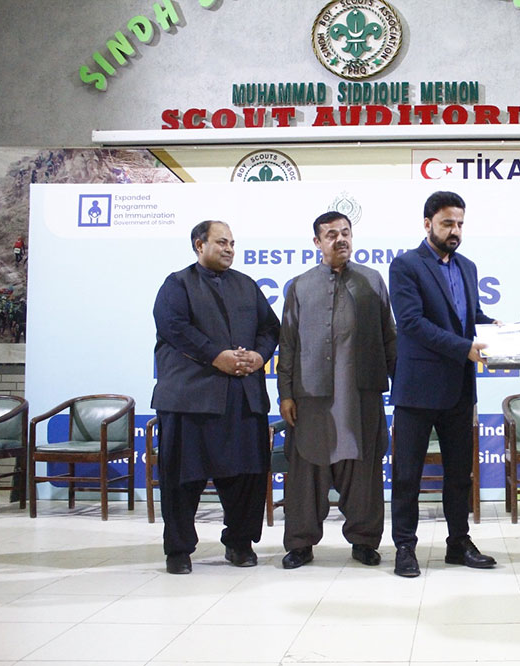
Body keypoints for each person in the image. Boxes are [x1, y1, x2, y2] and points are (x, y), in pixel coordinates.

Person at [151, 220, 280, 575]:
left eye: (232, 244)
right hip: (190, 400)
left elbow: (270, 328)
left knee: (247, 477)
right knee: (182, 479)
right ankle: (179, 550)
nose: (229, 249)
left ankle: (239, 543)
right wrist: (215, 356)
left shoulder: (246, 284)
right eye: (222, 242)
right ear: (199, 245)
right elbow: (173, 327)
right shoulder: (177, 284)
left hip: (242, 398)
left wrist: (260, 356)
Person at [276, 211, 396, 570]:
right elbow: (288, 343)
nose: (340, 239)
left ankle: (364, 541)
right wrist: (285, 393)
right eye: (331, 235)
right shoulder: (300, 286)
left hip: (361, 395)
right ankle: (300, 543)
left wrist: (401, 384)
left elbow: (389, 337)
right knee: (306, 473)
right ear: (317, 242)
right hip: (311, 396)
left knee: (363, 472)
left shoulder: (372, 280)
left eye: (345, 233)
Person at [388, 190, 498, 578]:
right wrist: (465, 348)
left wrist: (498, 330)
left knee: (459, 475)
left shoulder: (468, 267)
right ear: (427, 224)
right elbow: (412, 323)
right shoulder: (406, 265)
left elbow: (470, 316)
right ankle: (405, 547)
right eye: (447, 223)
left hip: (458, 388)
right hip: (418, 388)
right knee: (407, 476)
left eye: (460, 224)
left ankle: (458, 543)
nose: (455, 231)